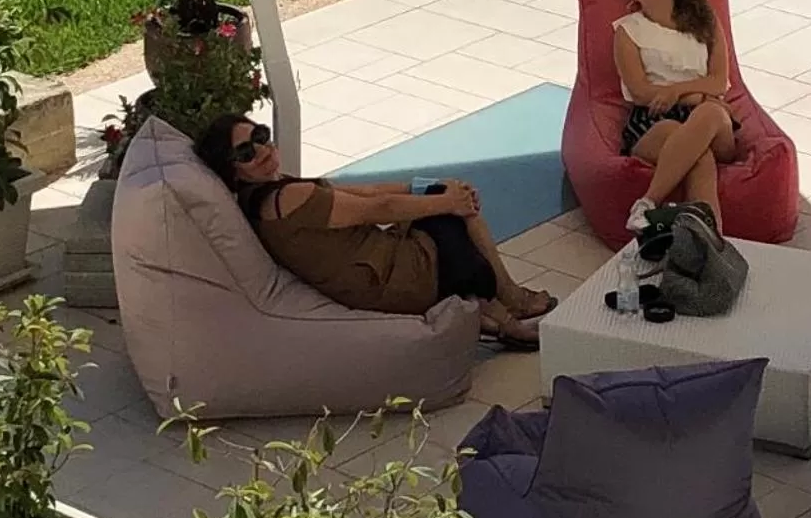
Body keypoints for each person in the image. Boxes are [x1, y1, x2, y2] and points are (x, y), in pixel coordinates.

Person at [194, 115, 554, 349]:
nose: (261, 150)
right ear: (233, 170)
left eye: (260, 136)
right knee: (453, 216)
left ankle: (499, 310)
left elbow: (363, 192)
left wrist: (427, 187)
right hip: (387, 280)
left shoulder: (274, 191)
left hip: (377, 267)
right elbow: (377, 208)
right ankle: (510, 308)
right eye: (245, 152)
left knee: (446, 201)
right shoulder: (286, 198)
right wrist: (447, 201)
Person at [610, 0, 740, 234]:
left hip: (708, 114)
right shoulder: (627, 32)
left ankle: (648, 202)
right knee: (698, 154)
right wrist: (691, 95)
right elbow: (640, 92)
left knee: (710, 114)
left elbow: (719, 80)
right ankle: (711, 241)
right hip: (654, 118)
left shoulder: (705, 20)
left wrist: (676, 91)